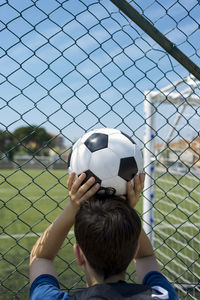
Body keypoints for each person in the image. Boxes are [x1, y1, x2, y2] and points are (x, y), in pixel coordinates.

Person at [29, 172, 179, 299]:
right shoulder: (162, 295)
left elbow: (40, 258)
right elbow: (146, 257)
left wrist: (73, 206)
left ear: (79, 254)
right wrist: (124, 211)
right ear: (135, 250)